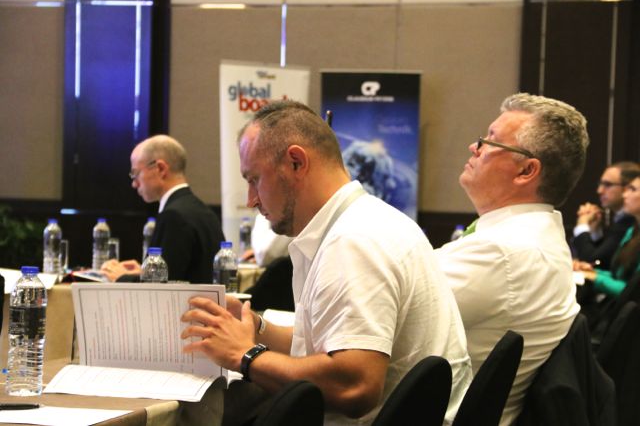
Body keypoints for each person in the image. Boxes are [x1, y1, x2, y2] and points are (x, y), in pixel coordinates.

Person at [180, 100, 472, 425]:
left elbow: (355, 386)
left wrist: (245, 356)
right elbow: (324, 346)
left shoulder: (353, 241)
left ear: (296, 163)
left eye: (254, 179)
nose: (251, 200)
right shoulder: (365, 221)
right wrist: (255, 327)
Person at [434, 93, 588, 425]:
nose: (474, 147)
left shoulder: (502, 252)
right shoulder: (534, 233)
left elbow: (380, 316)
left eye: (489, 141)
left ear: (526, 170)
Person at [100, 135, 225, 283]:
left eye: (135, 174)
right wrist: (144, 271)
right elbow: (177, 273)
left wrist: (121, 277)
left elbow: (160, 288)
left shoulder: (174, 216)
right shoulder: (202, 211)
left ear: (160, 169)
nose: (134, 184)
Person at [580, 170, 640, 296]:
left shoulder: (626, 225)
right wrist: (593, 272)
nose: (625, 195)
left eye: (633, 190)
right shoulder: (632, 230)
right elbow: (617, 275)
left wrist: (595, 277)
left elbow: (632, 293)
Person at [572, 161, 640, 269]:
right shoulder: (622, 219)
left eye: (608, 185)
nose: (599, 191)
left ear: (626, 187)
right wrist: (595, 231)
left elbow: (593, 260)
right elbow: (603, 260)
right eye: (600, 184)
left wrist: (582, 225)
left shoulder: (630, 220)